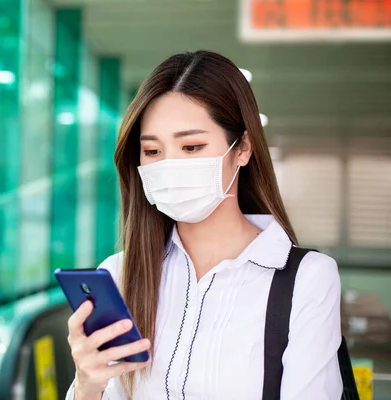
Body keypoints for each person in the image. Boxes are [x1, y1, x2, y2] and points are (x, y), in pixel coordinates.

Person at [64, 51, 343, 400]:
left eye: (191, 146)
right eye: (152, 152)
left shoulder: (306, 279)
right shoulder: (120, 274)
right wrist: (87, 385)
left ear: (241, 148)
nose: (170, 166)